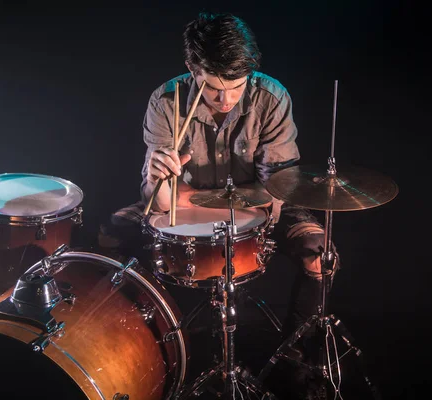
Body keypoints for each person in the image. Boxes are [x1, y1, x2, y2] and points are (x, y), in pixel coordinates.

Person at [98, 11, 340, 398]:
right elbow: (158, 203)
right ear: (192, 68)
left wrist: (194, 198)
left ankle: (295, 357)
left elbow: (276, 190)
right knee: (110, 233)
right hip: (185, 206)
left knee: (320, 256)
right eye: (213, 89)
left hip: (259, 208)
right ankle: (139, 347)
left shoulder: (271, 97)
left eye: (236, 87)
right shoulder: (165, 101)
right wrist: (160, 178)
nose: (225, 100)